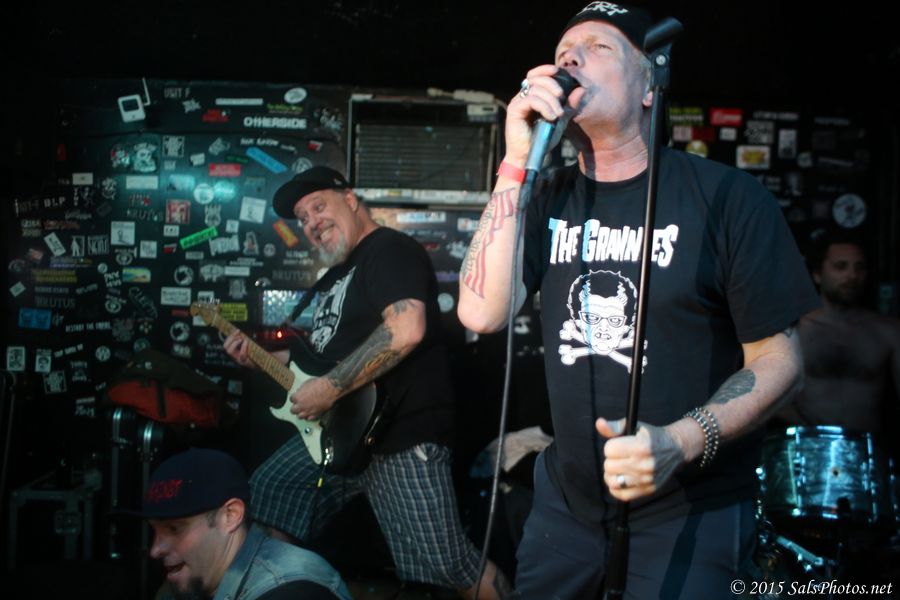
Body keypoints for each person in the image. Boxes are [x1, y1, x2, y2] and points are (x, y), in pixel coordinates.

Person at [457, 3, 821, 598]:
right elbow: (481, 311)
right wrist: (516, 162)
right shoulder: (544, 196)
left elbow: (781, 362)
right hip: (566, 508)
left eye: (599, 47)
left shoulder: (728, 197)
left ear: (650, 87)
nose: (571, 58)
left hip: (691, 507)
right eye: (563, 51)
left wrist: (681, 441)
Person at [223, 166, 509, 599]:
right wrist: (258, 359)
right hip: (338, 433)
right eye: (302, 218)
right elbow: (317, 363)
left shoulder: (388, 250)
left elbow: (405, 328)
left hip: (398, 435)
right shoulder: (336, 276)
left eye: (318, 206)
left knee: (450, 565)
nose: (311, 222)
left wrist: (329, 389)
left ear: (351, 199)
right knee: (270, 493)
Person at [129, 448, 350, 600]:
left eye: (175, 529)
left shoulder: (293, 592)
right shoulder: (192, 581)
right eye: (154, 530)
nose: (155, 550)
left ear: (231, 516)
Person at [775, 233, 900, 433]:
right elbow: (766, 395)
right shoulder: (793, 330)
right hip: (808, 444)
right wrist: (809, 429)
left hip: (867, 446)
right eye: (840, 266)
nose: (852, 276)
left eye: (860, 267)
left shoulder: (888, 331)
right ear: (817, 274)